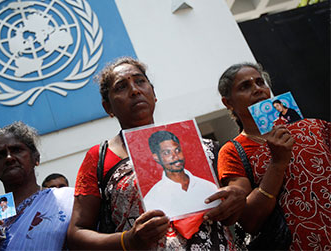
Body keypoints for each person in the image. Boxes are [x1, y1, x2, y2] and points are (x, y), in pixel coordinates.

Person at [67, 57, 246, 250]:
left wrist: (237, 199)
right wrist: (128, 240)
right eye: (121, 87)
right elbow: (76, 233)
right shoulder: (100, 157)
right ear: (108, 107)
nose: (135, 90)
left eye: (140, 81)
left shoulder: (197, 145)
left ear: (153, 93)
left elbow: (233, 206)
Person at [217, 62, 331, 250]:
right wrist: (277, 163)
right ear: (228, 102)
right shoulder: (233, 151)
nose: (257, 89)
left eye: (260, 82)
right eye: (245, 86)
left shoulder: (313, 128)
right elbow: (250, 220)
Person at [0, 122, 74, 250]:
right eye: (0, 155)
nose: (9, 158)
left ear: (36, 158)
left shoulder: (68, 199)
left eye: (17, 150)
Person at [144, 130, 220, 218]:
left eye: (177, 150)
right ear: (156, 157)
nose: (176, 156)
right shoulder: (152, 199)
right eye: (167, 153)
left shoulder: (208, 186)